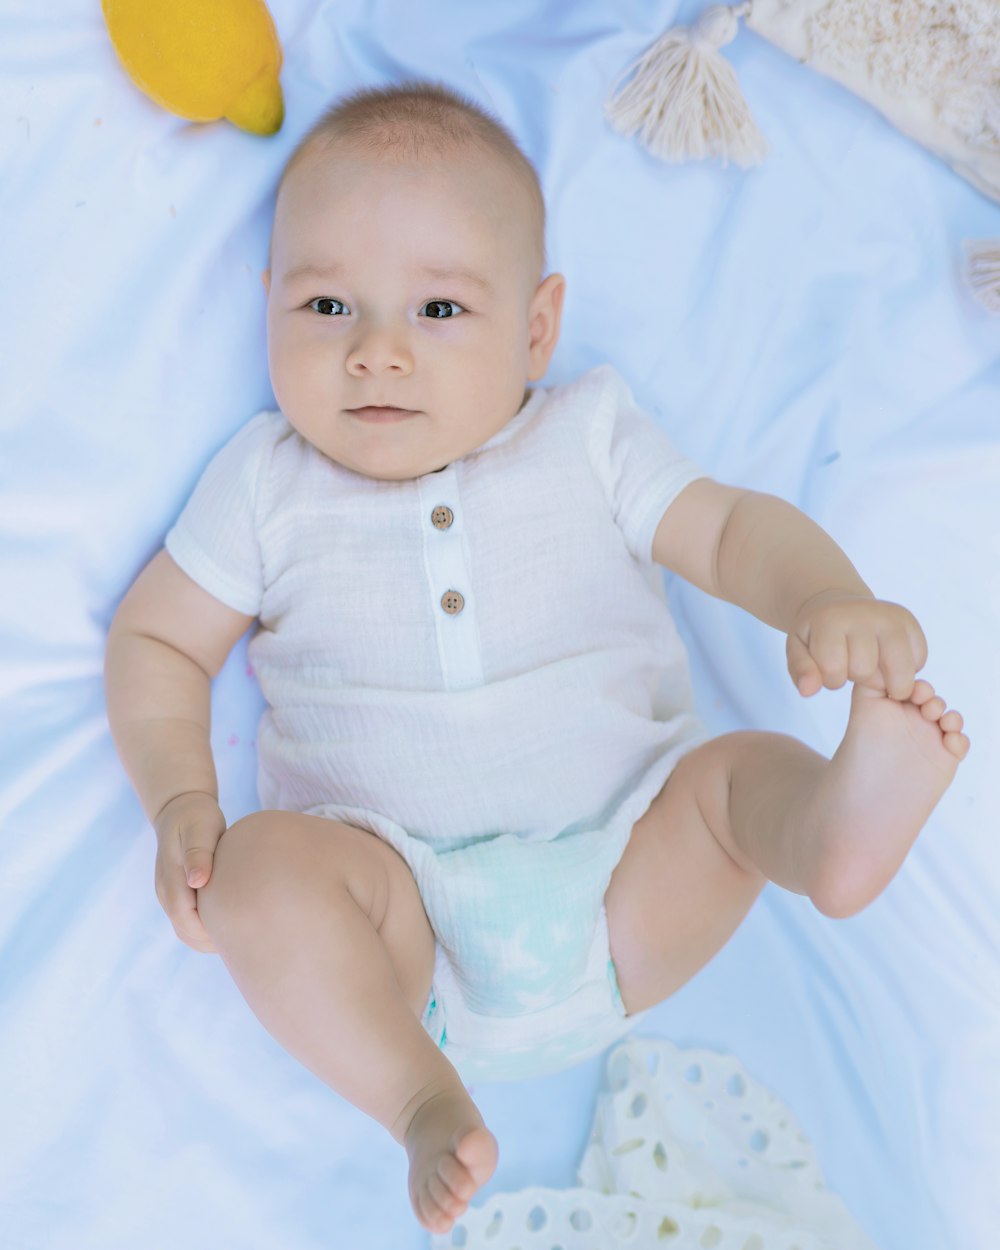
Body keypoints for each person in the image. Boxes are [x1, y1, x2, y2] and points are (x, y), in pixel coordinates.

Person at [103, 79, 969, 1237]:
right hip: (402, 944)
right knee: (258, 873)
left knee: (729, 784)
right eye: (324, 306)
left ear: (537, 328)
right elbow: (157, 637)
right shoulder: (265, 485)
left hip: (624, 874)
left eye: (440, 312)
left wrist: (821, 596)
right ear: (266, 306)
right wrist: (180, 798)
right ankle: (415, 1099)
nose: (375, 353)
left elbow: (721, 528)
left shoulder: (588, 435)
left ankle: (829, 829)